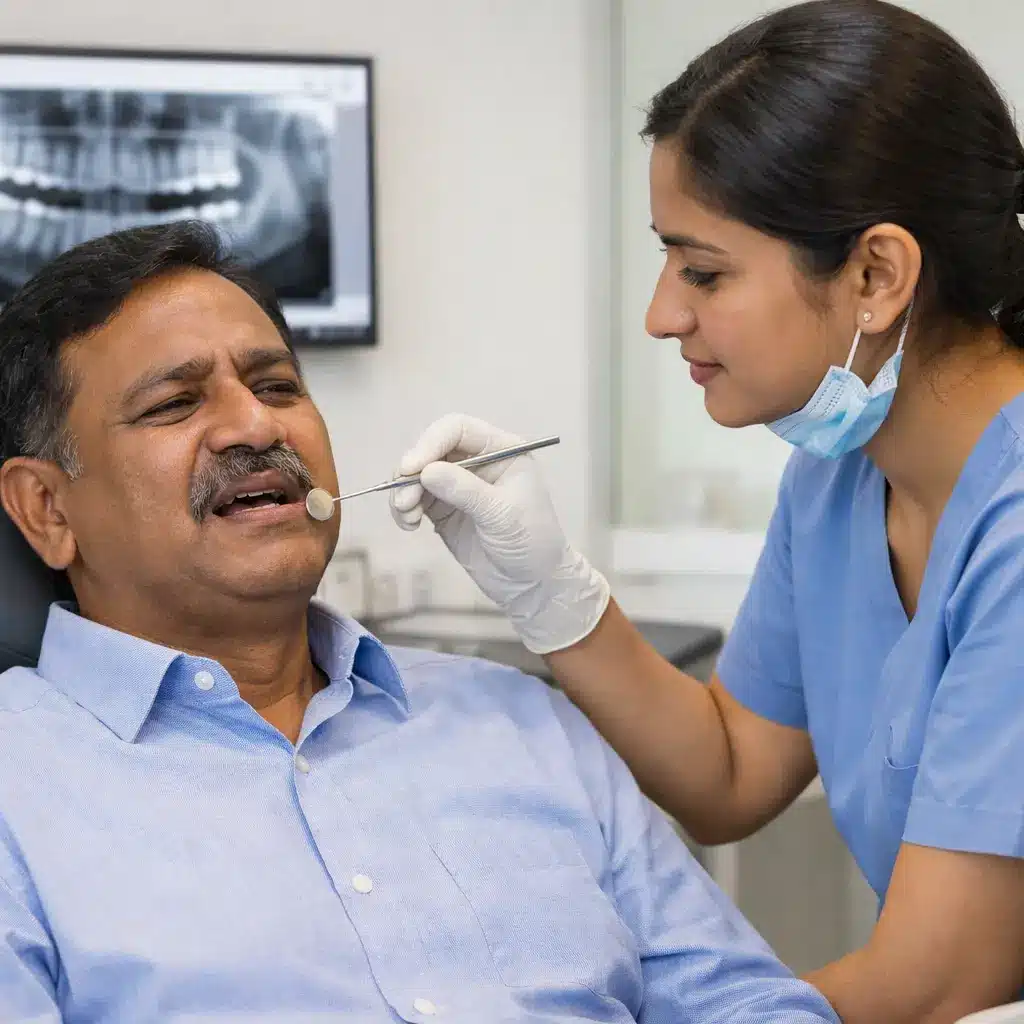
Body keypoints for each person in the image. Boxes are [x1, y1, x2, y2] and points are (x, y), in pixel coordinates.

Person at [0, 220, 839, 1023]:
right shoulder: (20, 787)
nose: (256, 424)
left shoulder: (522, 721)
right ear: (45, 509)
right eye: (174, 404)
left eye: (277, 386)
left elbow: (745, 1002)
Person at [390, 1, 1024, 1021]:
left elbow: (937, 980)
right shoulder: (838, 476)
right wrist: (554, 597)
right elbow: (731, 770)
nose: (659, 314)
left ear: (875, 275)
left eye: (703, 270)